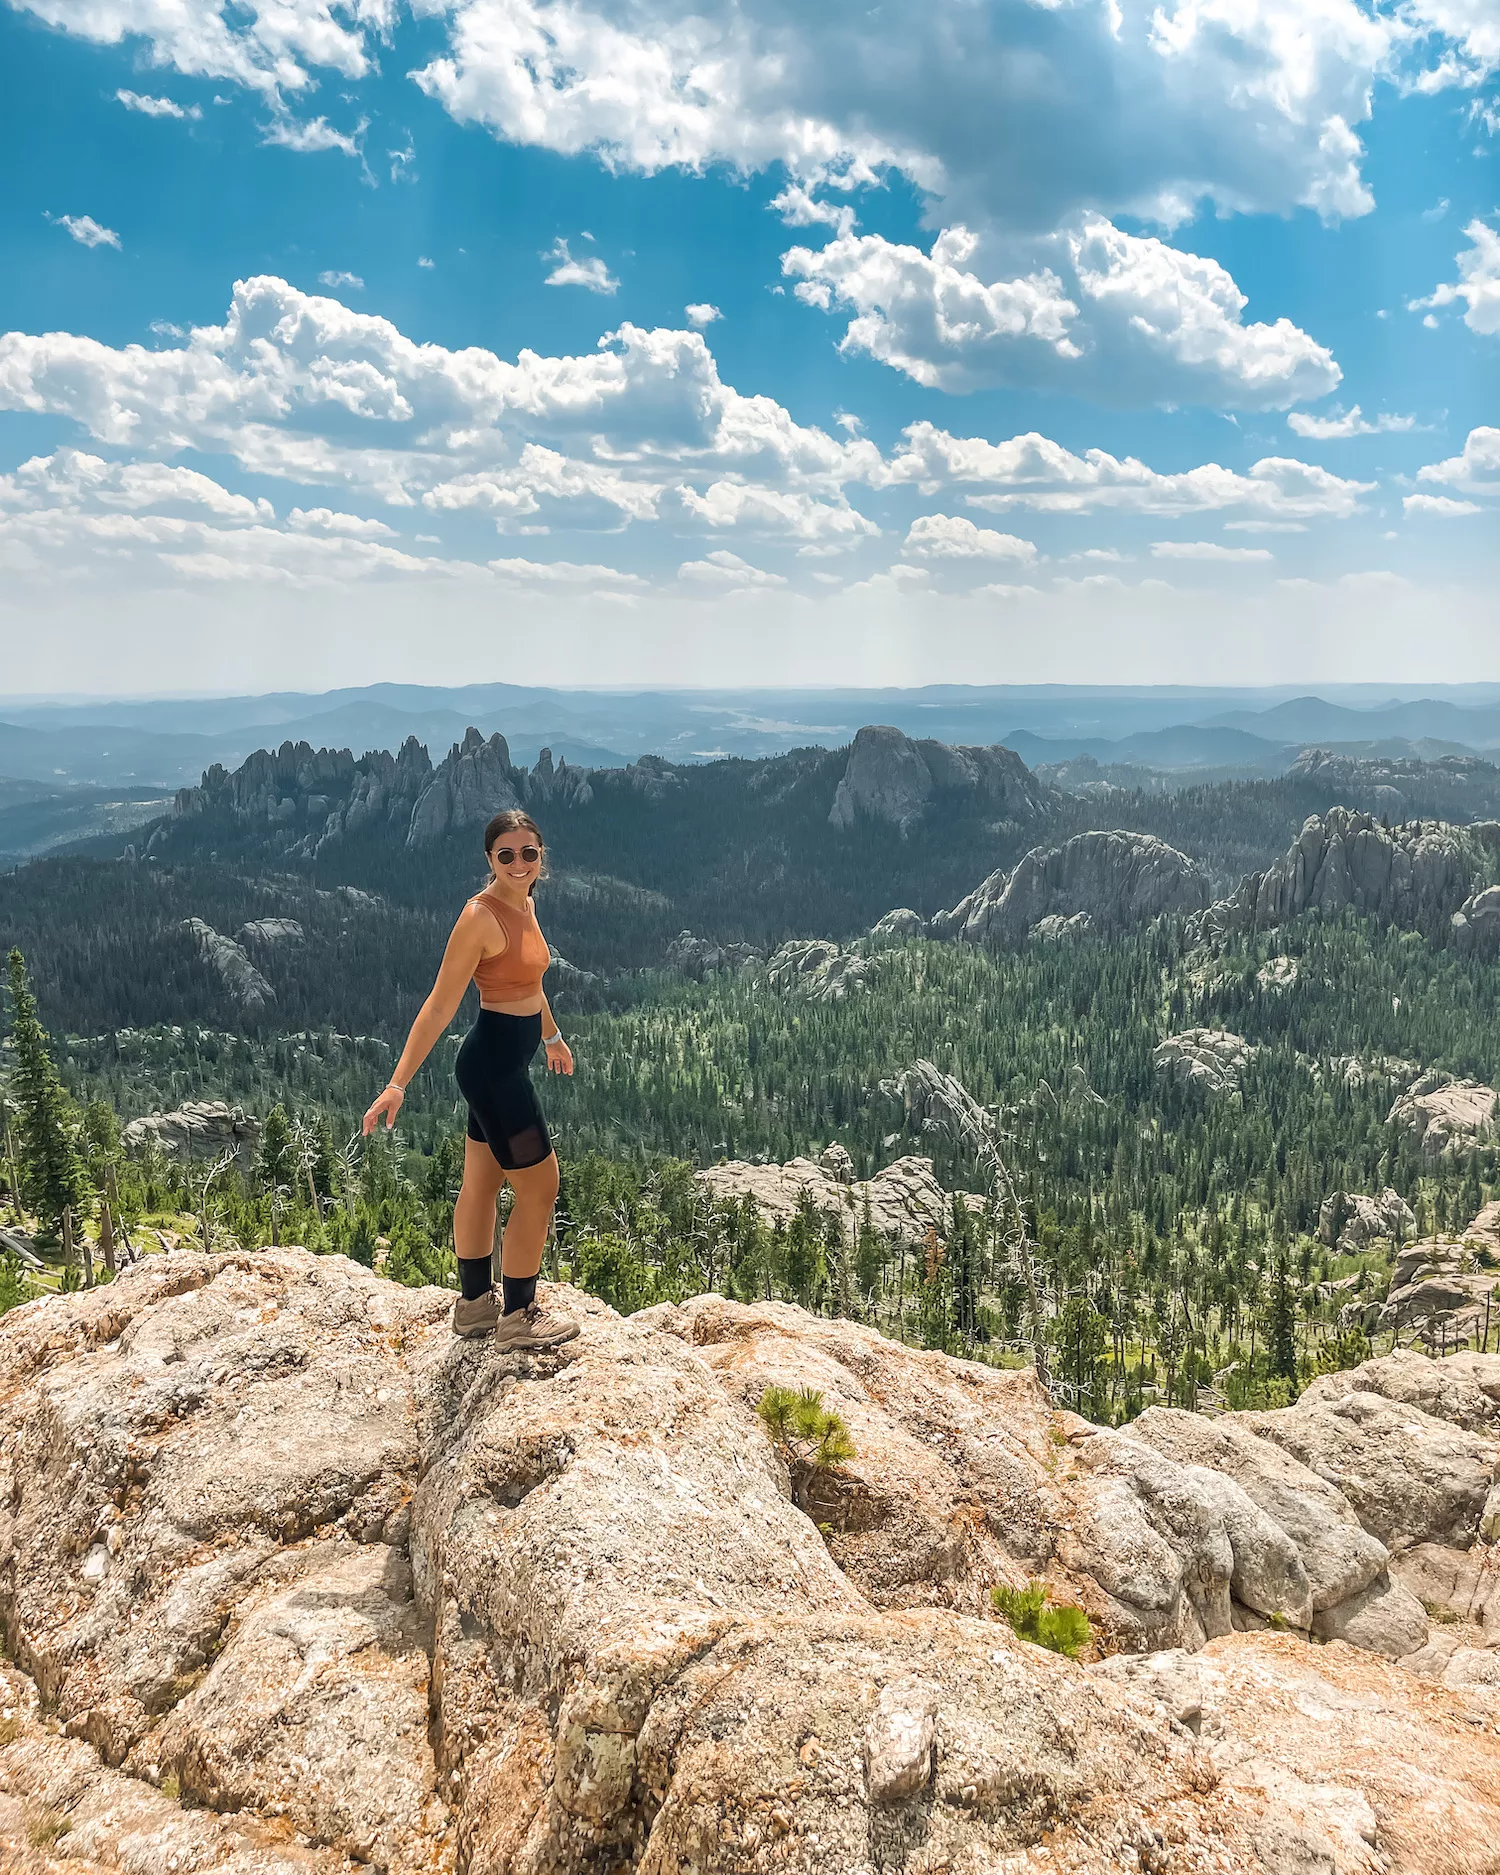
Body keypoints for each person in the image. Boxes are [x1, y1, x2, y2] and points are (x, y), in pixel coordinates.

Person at [362, 809, 580, 1348]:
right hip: (494, 1071)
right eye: (506, 855)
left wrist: (551, 1037)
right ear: (490, 860)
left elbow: (530, 984)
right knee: (541, 1187)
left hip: (502, 1063)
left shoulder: (525, 903)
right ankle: (519, 1315)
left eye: (529, 853)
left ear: (540, 857)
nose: (519, 863)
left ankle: (475, 1307)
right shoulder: (480, 918)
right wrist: (398, 1083)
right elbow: (438, 1006)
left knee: (483, 1181)